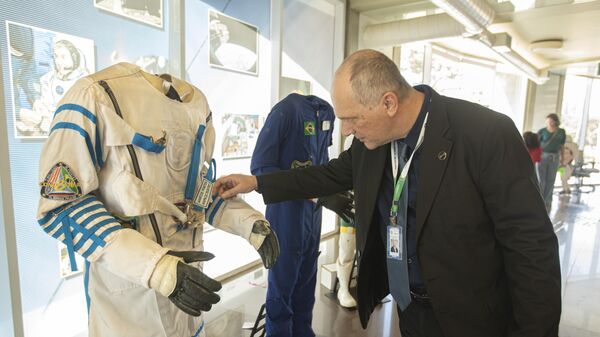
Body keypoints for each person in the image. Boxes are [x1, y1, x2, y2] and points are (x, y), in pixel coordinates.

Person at [214, 49, 561, 337]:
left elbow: (532, 248)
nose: (346, 131)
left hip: (472, 319)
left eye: (352, 119)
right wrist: (257, 183)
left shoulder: (485, 134)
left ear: (389, 103)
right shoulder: (372, 143)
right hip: (411, 311)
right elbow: (328, 174)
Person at [36, 62, 279, 337]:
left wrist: (250, 224)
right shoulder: (94, 96)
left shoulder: (197, 107)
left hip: (187, 303)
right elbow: (61, 208)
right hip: (127, 311)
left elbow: (198, 194)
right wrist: (158, 269)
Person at [250, 93, 353, 337]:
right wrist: (313, 192)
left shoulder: (327, 112)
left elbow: (323, 163)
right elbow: (260, 168)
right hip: (285, 213)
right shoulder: (286, 112)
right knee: (282, 286)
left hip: (312, 217)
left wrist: (330, 190)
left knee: (306, 284)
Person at [537, 113, 567, 211]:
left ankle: (548, 200)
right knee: (541, 180)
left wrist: (563, 159)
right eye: (547, 121)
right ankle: (539, 200)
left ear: (555, 121)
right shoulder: (542, 131)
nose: (549, 123)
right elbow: (536, 145)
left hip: (555, 157)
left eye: (551, 121)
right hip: (542, 157)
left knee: (551, 179)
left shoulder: (561, 132)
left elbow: (562, 146)